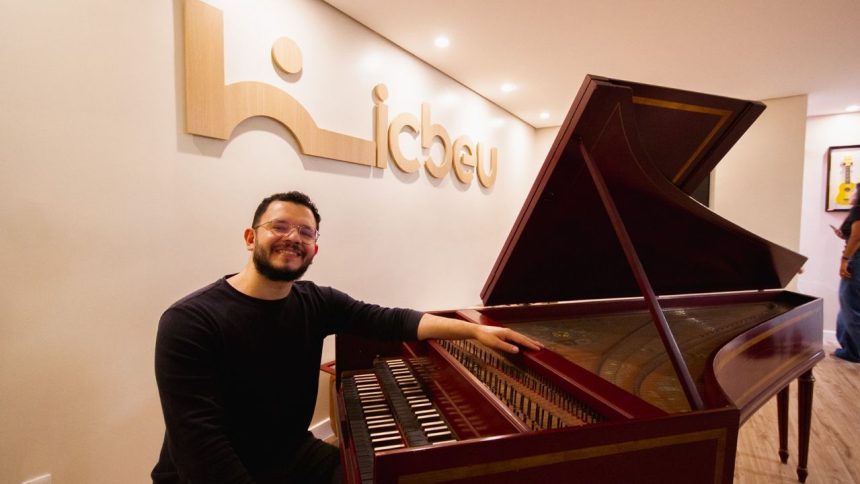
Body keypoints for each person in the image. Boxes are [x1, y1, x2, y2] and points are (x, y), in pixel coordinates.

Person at [152, 191, 543, 483]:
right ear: (250, 237)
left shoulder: (316, 301)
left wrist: (474, 329)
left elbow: (391, 321)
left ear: (314, 249)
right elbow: (201, 447)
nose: (293, 237)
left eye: (305, 232)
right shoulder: (190, 321)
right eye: (279, 226)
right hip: (211, 471)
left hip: (290, 453)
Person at [833, 185, 860, 363]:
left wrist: (844, 259)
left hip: (856, 261)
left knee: (851, 308)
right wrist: (843, 235)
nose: (853, 193)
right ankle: (851, 350)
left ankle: (855, 352)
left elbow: (857, 236)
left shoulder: (859, 210)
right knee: (849, 307)